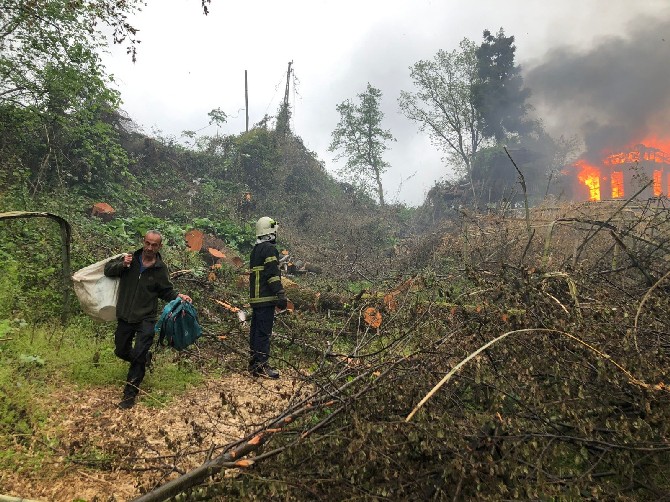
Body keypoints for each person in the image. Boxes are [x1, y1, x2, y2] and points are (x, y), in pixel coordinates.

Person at [104, 230, 192, 409]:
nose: (149, 248)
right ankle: (145, 359)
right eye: (147, 243)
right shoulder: (129, 259)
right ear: (143, 242)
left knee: (138, 354)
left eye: (154, 245)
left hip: (146, 318)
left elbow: (166, 291)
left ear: (160, 247)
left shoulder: (160, 268)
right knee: (121, 351)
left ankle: (129, 395)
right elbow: (107, 271)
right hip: (125, 316)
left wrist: (178, 297)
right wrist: (121, 264)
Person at [248, 216, 287, 378]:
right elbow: (272, 274)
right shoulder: (270, 250)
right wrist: (280, 293)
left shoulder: (255, 250)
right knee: (264, 333)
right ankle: (262, 366)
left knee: (256, 332)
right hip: (265, 298)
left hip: (256, 299)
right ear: (270, 232)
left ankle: (254, 364)